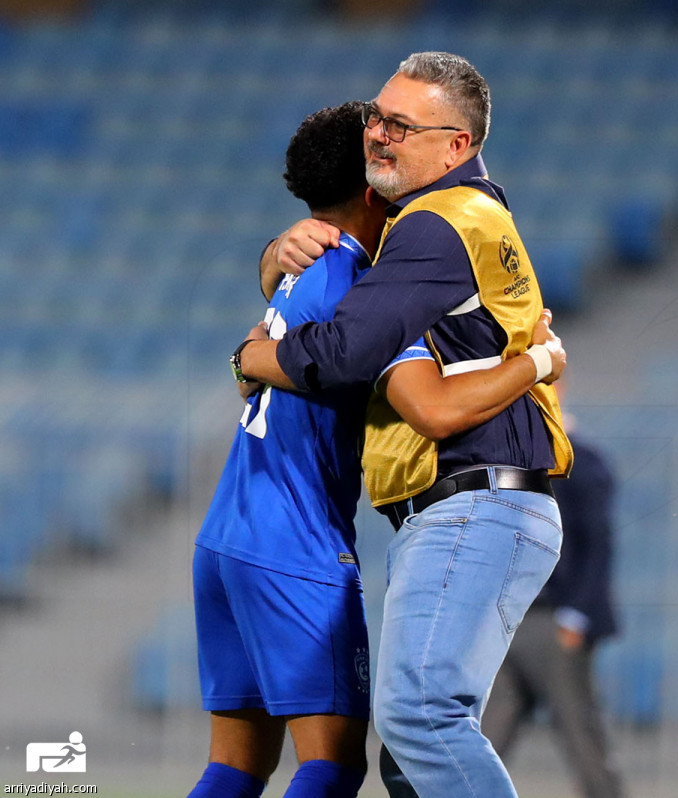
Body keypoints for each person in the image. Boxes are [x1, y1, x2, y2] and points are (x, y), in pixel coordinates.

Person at [195, 101, 565, 798]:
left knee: (235, 767)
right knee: (333, 765)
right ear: (376, 188)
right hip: (295, 542)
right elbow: (428, 406)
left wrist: (249, 339)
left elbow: (252, 365)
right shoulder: (376, 294)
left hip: (223, 535)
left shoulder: (304, 272)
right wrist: (540, 358)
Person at [482, 422, 624, 798]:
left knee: (581, 735)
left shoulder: (579, 459)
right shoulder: (505, 457)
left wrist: (576, 615)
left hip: (554, 618)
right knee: (485, 738)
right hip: (508, 618)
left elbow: (598, 542)